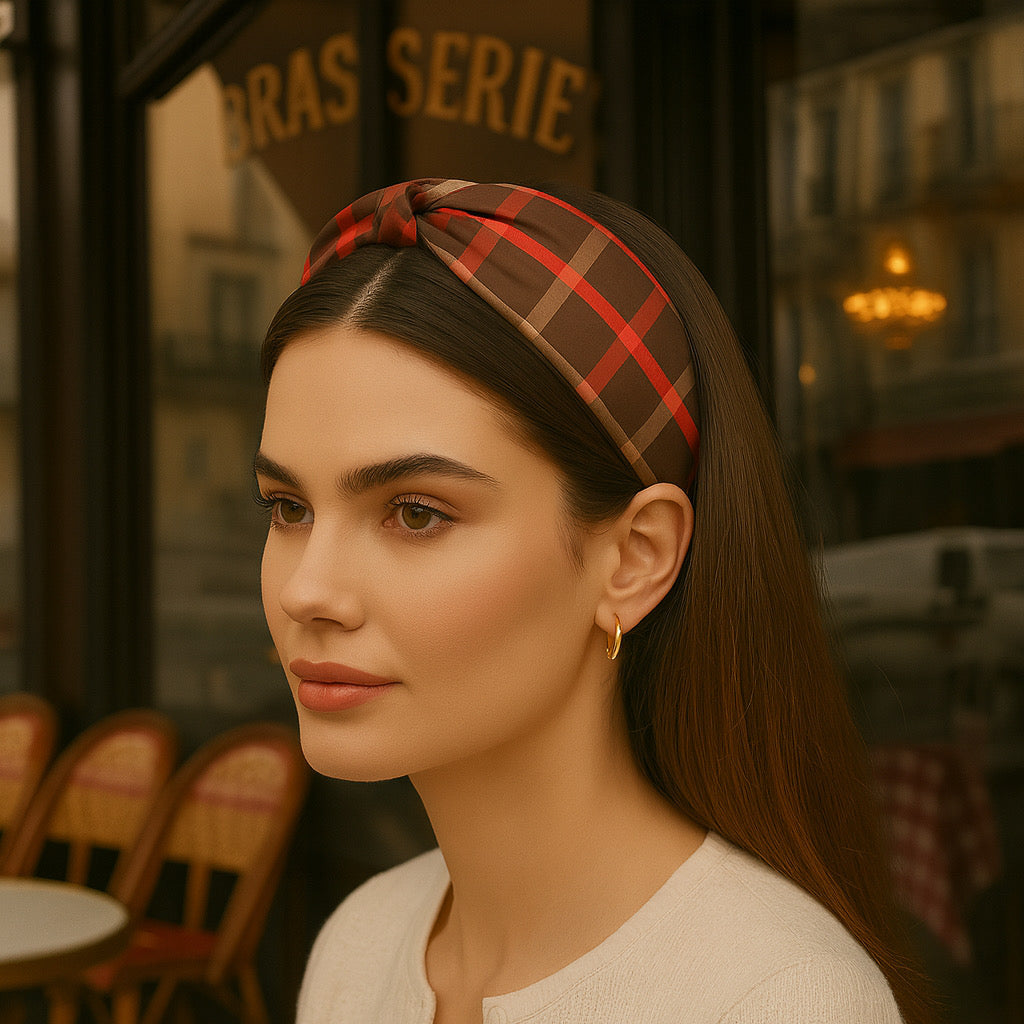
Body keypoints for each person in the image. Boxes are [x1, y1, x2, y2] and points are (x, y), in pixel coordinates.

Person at [256, 179, 932, 1024]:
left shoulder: (779, 1001)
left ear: (634, 559)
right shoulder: (358, 945)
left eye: (417, 513)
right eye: (288, 508)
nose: (308, 591)